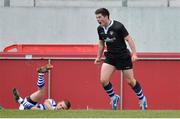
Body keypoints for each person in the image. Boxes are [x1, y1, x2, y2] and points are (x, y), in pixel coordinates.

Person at [94, 8, 147, 110]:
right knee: (103, 80)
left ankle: (142, 99)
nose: (98, 19)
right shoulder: (99, 29)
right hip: (110, 57)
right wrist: (98, 57)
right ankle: (114, 97)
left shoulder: (118, 26)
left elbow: (129, 39)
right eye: (96, 18)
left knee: (130, 81)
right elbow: (101, 43)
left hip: (123, 56)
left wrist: (134, 54)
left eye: (99, 17)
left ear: (106, 16)